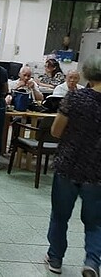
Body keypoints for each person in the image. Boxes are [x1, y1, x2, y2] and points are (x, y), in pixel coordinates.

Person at [44, 53, 101, 277]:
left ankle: (55, 258)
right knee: (95, 222)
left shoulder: (75, 98)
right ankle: (92, 262)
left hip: (68, 165)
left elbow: (56, 131)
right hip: (97, 172)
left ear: (87, 73)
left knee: (60, 215)